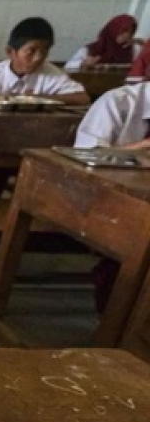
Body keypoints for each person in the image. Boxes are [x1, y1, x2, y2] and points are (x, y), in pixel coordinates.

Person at [0, 17, 89, 198]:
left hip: (29, 143)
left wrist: (40, 98)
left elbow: (82, 98)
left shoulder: (50, 74)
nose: (38, 58)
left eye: (44, 51)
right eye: (31, 51)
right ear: (11, 52)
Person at [71, 82, 150, 313]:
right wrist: (138, 149)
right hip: (107, 198)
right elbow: (83, 159)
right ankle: (116, 330)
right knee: (129, 260)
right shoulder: (118, 102)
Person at [64, 14, 138, 72]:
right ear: (113, 30)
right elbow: (68, 67)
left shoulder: (132, 50)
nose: (127, 35)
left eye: (130, 32)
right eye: (124, 31)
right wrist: (83, 64)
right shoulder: (92, 49)